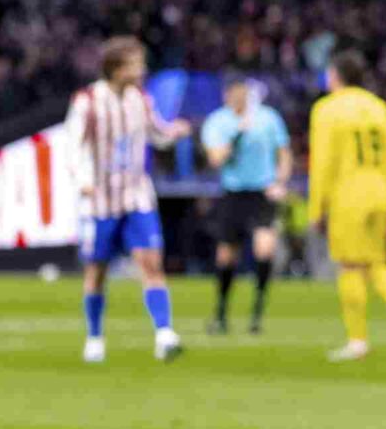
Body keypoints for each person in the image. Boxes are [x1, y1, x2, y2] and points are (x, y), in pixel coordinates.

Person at [68, 36, 192, 364]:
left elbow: (156, 134)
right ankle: (95, 337)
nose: (142, 69)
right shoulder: (88, 101)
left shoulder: (141, 99)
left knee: (151, 263)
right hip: (102, 201)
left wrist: (173, 133)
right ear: (117, 68)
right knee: (97, 271)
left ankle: (164, 334)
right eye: (136, 63)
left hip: (137, 195)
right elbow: (73, 145)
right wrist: (83, 181)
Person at [308, 50, 386, 361]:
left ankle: (357, 341)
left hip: (348, 195)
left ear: (335, 75)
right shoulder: (378, 107)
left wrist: (317, 208)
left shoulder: (326, 109)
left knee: (349, 265)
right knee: (374, 263)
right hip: (380, 192)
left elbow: (323, 163)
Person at [199, 76, 290, 335]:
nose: (239, 98)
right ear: (227, 95)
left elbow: (283, 152)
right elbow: (216, 159)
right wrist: (238, 132)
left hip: (262, 193)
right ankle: (221, 312)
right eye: (234, 94)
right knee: (227, 255)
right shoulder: (218, 122)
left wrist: (280, 181)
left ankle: (256, 314)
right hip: (233, 193)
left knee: (265, 250)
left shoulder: (268, 118)